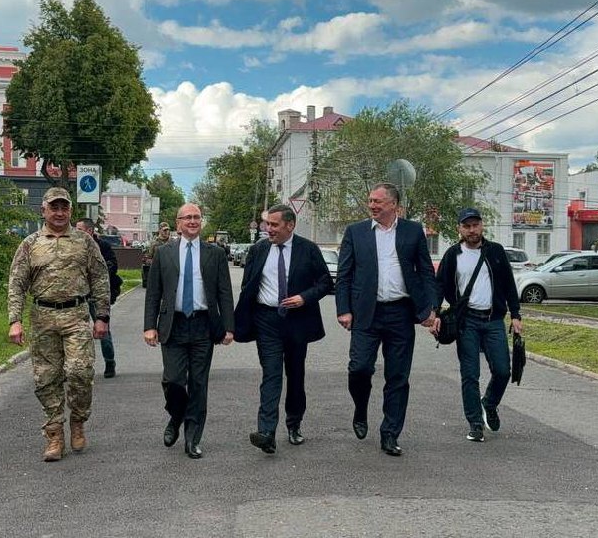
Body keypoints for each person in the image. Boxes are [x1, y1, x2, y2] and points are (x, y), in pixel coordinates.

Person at [8, 187, 110, 462]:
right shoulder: (30, 243)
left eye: (64, 207)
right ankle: (54, 434)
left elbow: (100, 278)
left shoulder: (84, 242)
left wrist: (102, 316)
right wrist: (15, 320)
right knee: (46, 378)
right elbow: (17, 283)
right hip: (43, 317)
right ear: (44, 210)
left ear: (70, 211)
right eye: (54, 207)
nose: (59, 212)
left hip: (76, 315)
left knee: (80, 372)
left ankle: (78, 420)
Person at [335, 183, 437, 456]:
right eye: (370, 200)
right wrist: (343, 309)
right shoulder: (356, 232)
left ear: (394, 205)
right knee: (359, 368)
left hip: (400, 313)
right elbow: (344, 274)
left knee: (398, 376)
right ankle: (360, 408)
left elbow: (426, 271)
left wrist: (431, 308)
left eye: (378, 201)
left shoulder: (412, 231)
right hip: (365, 313)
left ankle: (390, 433)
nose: (372, 205)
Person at [234, 204, 332, 454]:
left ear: (290, 225)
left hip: (297, 320)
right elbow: (248, 284)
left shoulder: (307, 249)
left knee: (295, 375)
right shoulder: (258, 250)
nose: (269, 229)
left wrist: (304, 297)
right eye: (267, 224)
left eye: (274, 225)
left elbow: (325, 283)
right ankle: (266, 432)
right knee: (271, 374)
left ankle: (294, 423)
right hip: (266, 320)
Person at [143, 203, 235, 459]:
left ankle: (193, 438)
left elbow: (225, 292)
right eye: (188, 217)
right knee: (173, 380)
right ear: (178, 223)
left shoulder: (215, 253)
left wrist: (229, 327)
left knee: (198, 383)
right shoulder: (164, 253)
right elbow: (154, 293)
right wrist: (149, 326)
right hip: (173, 325)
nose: (193, 221)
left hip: (203, 325)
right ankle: (176, 416)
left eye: (197, 217)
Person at [431, 207, 523, 442]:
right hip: (467, 322)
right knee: (470, 374)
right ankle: (475, 423)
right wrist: (435, 313)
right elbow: (439, 285)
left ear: (482, 226)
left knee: (503, 370)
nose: (472, 230)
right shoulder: (453, 255)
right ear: (459, 229)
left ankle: (489, 403)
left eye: (475, 225)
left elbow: (508, 284)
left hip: (493, 320)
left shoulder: (496, 251)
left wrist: (515, 314)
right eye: (467, 226)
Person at [74, 217, 121, 378]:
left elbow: (112, 266)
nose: (76, 232)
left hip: (96, 296)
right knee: (74, 332)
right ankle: (74, 367)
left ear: (89, 231)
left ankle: (109, 361)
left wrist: (96, 275)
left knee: (103, 330)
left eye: (79, 229)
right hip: (77, 297)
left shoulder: (103, 246)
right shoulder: (72, 247)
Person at [142, 222, 171, 288]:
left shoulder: (172, 242)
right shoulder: (154, 243)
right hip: (158, 271)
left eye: (168, 230)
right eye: (164, 230)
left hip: (169, 271)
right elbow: (149, 257)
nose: (167, 232)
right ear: (160, 230)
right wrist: (152, 262)